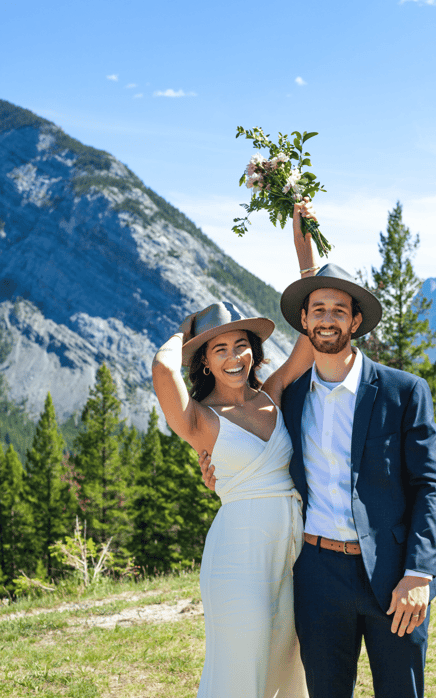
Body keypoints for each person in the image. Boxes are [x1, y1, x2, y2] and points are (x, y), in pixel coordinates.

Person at [201, 262, 436, 698]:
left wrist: (418, 573)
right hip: (316, 577)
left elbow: (430, 487)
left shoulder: (404, 391)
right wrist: (218, 473)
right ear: (304, 321)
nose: (327, 319)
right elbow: (258, 456)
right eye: (318, 309)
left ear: (355, 321)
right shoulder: (286, 403)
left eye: (338, 310)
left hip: (393, 576)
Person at [152, 201, 319, 698]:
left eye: (240, 344)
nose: (233, 356)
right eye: (218, 348)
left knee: (288, 665)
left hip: (292, 548)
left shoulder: (273, 393)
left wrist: (303, 246)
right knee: (238, 667)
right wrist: (184, 335)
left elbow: (311, 339)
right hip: (238, 552)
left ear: (253, 349)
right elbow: (164, 372)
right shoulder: (200, 420)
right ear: (204, 361)